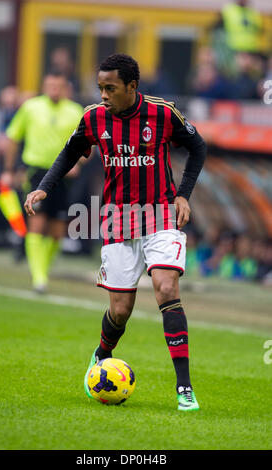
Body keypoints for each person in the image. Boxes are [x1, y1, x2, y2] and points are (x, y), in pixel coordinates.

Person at [24, 54, 207, 410]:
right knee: (121, 310)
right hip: (118, 220)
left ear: (131, 87)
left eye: (110, 88)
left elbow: (198, 147)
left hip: (161, 214)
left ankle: (184, 388)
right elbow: (69, 153)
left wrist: (183, 195)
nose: (104, 94)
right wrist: (44, 186)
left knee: (166, 287)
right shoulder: (93, 118)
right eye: (100, 88)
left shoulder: (163, 113)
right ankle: (102, 353)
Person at [1, 70, 84, 293]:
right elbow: (13, 137)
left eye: (59, 86)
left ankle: (43, 272)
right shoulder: (31, 107)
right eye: (51, 86)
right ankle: (39, 279)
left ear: (65, 87)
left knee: (57, 231)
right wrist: (9, 170)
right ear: (45, 86)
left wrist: (78, 163)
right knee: (36, 223)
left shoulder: (75, 111)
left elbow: (89, 145)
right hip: (36, 173)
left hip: (63, 176)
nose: (54, 90)